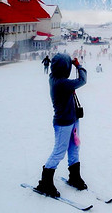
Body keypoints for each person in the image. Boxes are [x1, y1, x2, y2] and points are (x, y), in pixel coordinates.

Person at [36, 54, 88, 198]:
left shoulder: (54, 77)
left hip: (73, 119)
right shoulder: (62, 83)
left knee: (74, 148)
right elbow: (83, 80)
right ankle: (45, 182)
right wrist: (78, 65)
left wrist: (66, 62)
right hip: (63, 123)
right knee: (59, 151)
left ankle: (74, 177)